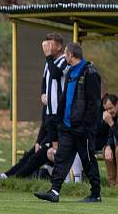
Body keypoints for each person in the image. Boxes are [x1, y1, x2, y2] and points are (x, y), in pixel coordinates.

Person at [35, 42, 103, 203]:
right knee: (61, 158)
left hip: (83, 128)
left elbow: (94, 103)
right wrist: (60, 121)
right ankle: (54, 191)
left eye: (66, 54)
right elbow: (65, 98)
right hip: (67, 126)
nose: (65, 57)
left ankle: (96, 194)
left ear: (71, 55)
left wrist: (86, 125)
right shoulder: (71, 72)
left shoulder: (90, 72)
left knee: (88, 160)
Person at [1, 33, 66, 180]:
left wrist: (48, 56)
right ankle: (9, 175)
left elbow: (56, 74)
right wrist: (43, 93)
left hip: (59, 115)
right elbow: (45, 80)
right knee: (34, 150)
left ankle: (17, 177)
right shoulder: (48, 63)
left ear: (59, 46)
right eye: (46, 44)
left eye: (51, 44)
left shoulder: (63, 61)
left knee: (40, 153)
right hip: (49, 114)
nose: (47, 47)